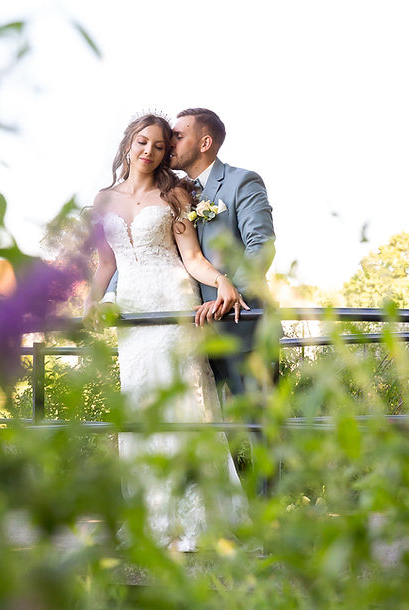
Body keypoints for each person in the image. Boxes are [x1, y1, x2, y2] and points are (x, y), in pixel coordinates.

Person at [85, 113, 247, 552]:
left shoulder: (173, 193)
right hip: (133, 310)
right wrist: (90, 303)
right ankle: (153, 520)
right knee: (141, 405)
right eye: (143, 142)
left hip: (173, 302)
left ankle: (199, 520)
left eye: (159, 146)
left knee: (183, 402)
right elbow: (106, 264)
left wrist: (222, 281)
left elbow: (192, 257)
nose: (149, 151)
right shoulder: (103, 200)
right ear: (128, 144)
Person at [169, 108, 277, 397]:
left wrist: (228, 294)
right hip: (192, 335)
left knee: (259, 420)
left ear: (205, 143)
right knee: (206, 423)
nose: (169, 143)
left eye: (178, 136)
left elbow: (261, 244)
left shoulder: (242, 182)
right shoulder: (171, 194)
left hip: (244, 328)